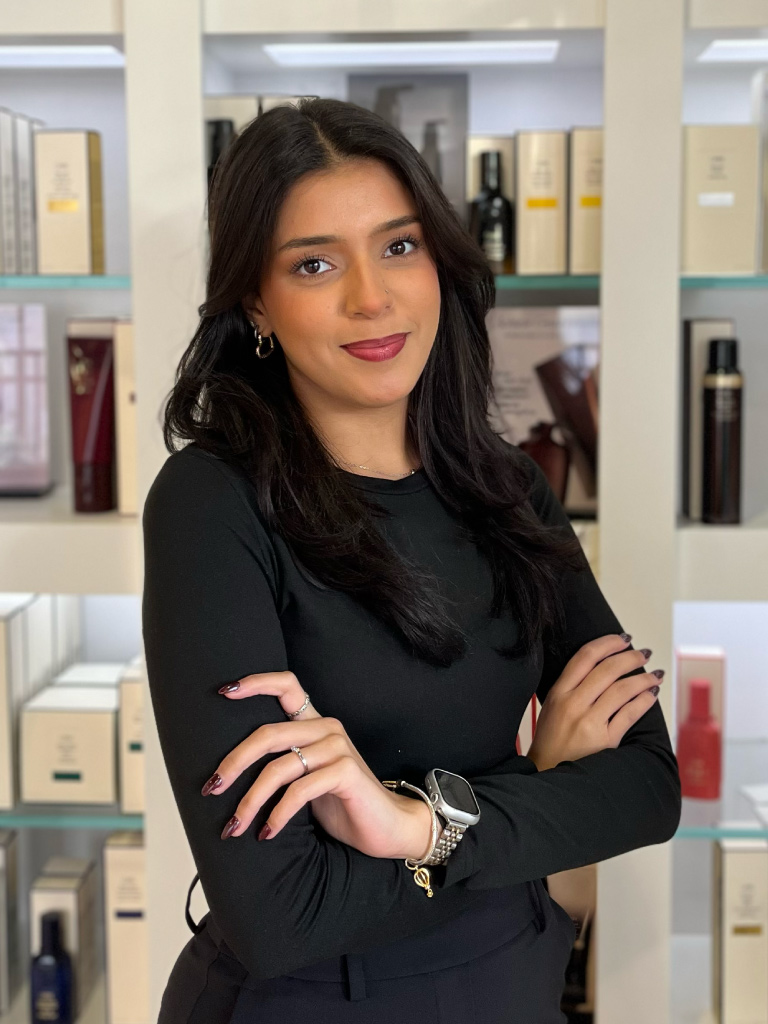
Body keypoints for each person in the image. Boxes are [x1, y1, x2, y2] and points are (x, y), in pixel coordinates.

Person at [140, 96, 681, 1024]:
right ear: (256, 302)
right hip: (313, 1002)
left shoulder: (506, 485)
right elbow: (281, 913)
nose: (372, 298)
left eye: (399, 246)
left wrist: (416, 825)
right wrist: (535, 798)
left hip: (514, 976)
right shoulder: (212, 505)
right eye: (315, 263)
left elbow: (647, 790)